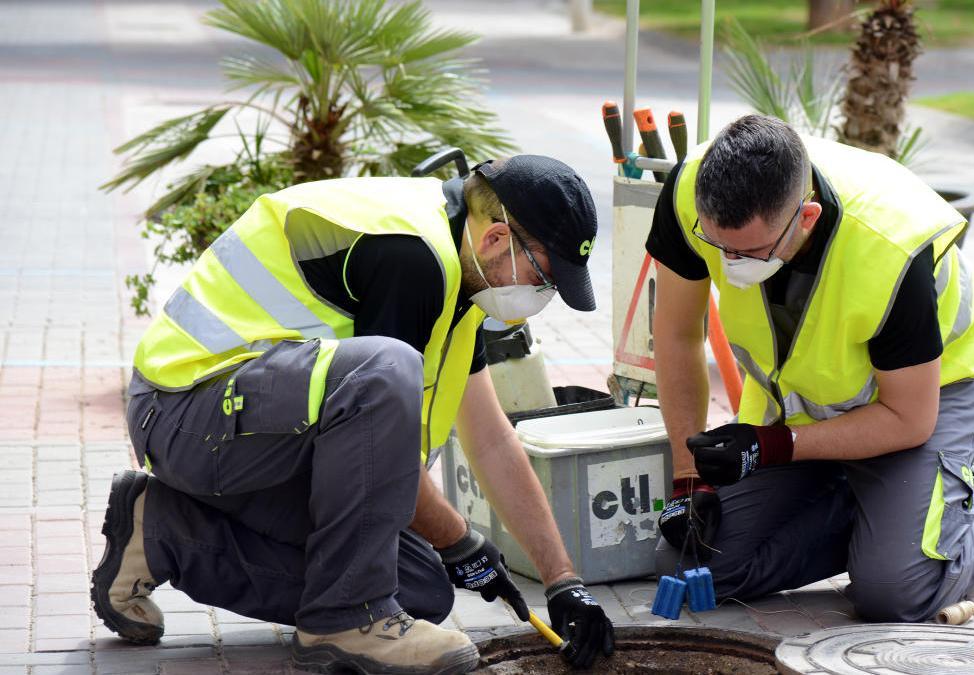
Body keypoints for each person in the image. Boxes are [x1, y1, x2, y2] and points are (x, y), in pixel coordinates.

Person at [92, 156, 616, 674]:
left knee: (417, 590)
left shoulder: (465, 283)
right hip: (183, 412)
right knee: (386, 368)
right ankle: (344, 619)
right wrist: (460, 539)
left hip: (249, 436)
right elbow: (379, 423)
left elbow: (491, 439)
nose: (543, 296)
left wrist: (562, 581)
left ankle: (161, 534)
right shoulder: (412, 256)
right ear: (496, 239)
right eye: (544, 277)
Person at [648, 114, 974, 622]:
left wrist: (771, 447)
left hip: (924, 398)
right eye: (717, 245)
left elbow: (908, 419)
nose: (731, 265)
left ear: (807, 217)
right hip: (807, 401)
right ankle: (881, 516)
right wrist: (689, 484)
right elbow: (677, 334)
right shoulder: (691, 192)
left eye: (751, 251)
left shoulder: (890, 246)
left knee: (896, 593)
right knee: (691, 561)